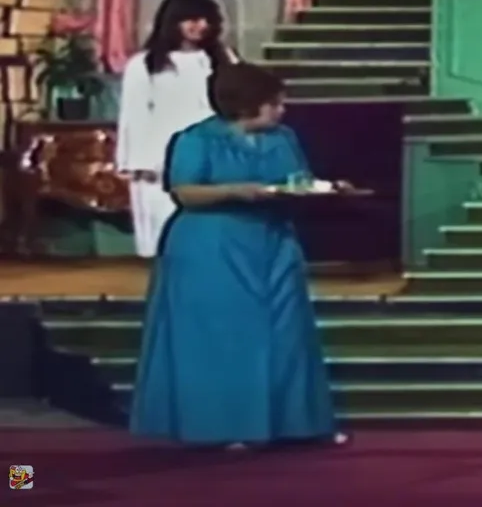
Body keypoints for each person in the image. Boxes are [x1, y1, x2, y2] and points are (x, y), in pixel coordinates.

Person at [130, 62, 348, 450]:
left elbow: (297, 180)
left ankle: (296, 423)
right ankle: (226, 426)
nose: (282, 111)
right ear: (247, 105)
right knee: (226, 335)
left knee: (287, 332)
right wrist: (237, 190)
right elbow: (185, 192)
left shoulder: (283, 138)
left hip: (273, 240)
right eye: (274, 104)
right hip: (212, 245)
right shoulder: (196, 139)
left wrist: (325, 189)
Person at [116, 0, 237, 258]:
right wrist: (138, 162)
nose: (201, 26)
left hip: (212, 151)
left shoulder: (223, 59)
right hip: (159, 159)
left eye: (207, 20)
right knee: (162, 231)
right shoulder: (144, 64)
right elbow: (134, 115)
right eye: (192, 19)